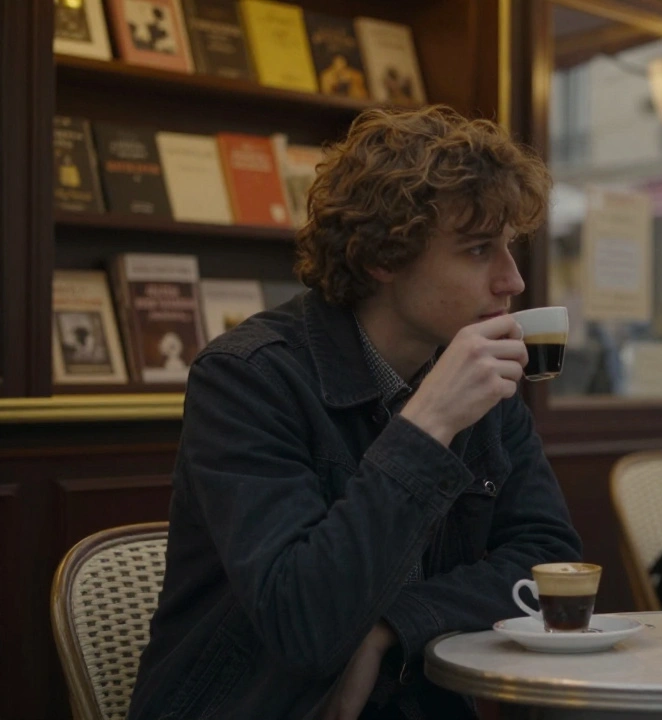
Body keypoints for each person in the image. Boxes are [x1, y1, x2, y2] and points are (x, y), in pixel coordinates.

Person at [127, 105, 582, 720]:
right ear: (384, 257)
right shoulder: (247, 377)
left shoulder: (478, 372)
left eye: (509, 247)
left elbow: (550, 563)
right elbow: (304, 622)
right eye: (479, 250)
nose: (513, 281)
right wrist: (426, 426)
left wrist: (393, 627)